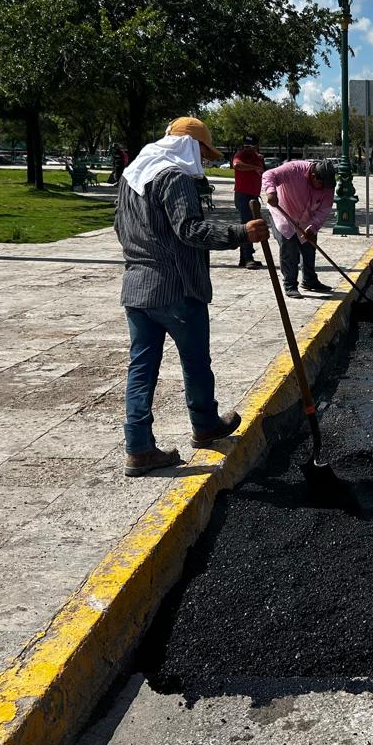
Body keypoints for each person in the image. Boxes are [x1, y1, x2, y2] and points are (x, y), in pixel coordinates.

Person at [115, 117, 268, 477]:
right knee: (196, 361)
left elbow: (120, 227)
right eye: (202, 150)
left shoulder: (131, 175)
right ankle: (204, 423)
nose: (203, 158)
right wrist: (240, 232)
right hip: (177, 288)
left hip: (137, 288)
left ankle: (138, 447)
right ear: (190, 147)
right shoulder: (174, 177)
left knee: (141, 368)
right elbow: (190, 230)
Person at [262, 159, 335, 299]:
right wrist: (271, 192)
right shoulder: (294, 169)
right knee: (289, 248)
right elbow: (269, 175)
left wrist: (313, 227)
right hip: (283, 213)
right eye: (321, 184)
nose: (324, 188)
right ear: (313, 176)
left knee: (309, 247)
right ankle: (290, 285)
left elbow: (324, 210)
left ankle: (309, 281)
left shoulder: (328, 185)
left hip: (306, 218)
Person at [232, 134, 265, 270]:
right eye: (245, 146)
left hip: (254, 196)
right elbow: (237, 165)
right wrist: (254, 167)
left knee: (252, 225)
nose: (247, 149)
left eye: (250, 146)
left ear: (256, 146)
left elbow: (264, 172)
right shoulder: (240, 155)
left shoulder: (258, 158)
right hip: (242, 195)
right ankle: (247, 258)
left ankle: (244, 258)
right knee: (247, 226)